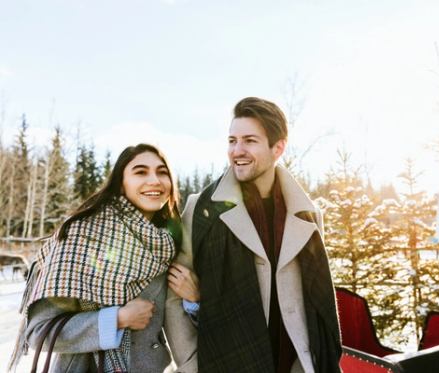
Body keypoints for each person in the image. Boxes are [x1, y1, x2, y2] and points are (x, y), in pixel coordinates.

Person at [166, 97, 341, 373]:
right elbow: (174, 298)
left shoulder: (307, 215)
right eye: (232, 140)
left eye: (249, 140)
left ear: (278, 147)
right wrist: (191, 365)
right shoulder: (201, 210)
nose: (237, 150)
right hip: (225, 363)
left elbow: (316, 300)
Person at [9, 143, 182, 373]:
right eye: (140, 172)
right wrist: (116, 319)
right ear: (121, 184)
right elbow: (39, 331)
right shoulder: (82, 235)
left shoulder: (168, 242)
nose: (155, 180)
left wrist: (193, 298)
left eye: (162, 172)